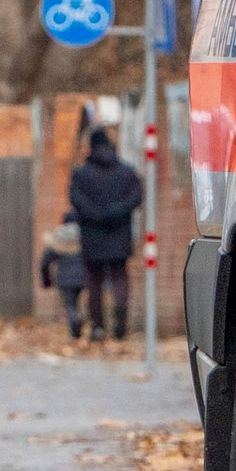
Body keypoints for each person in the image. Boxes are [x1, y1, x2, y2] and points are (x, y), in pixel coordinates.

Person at [64, 127, 144, 343]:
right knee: (119, 276)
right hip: (119, 233)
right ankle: (120, 319)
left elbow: (75, 199)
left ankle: (98, 327)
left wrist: (96, 215)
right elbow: (137, 197)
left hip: (92, 234)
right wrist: (116, 213)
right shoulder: (126, 172)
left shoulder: (81, 174)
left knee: (94, 281)